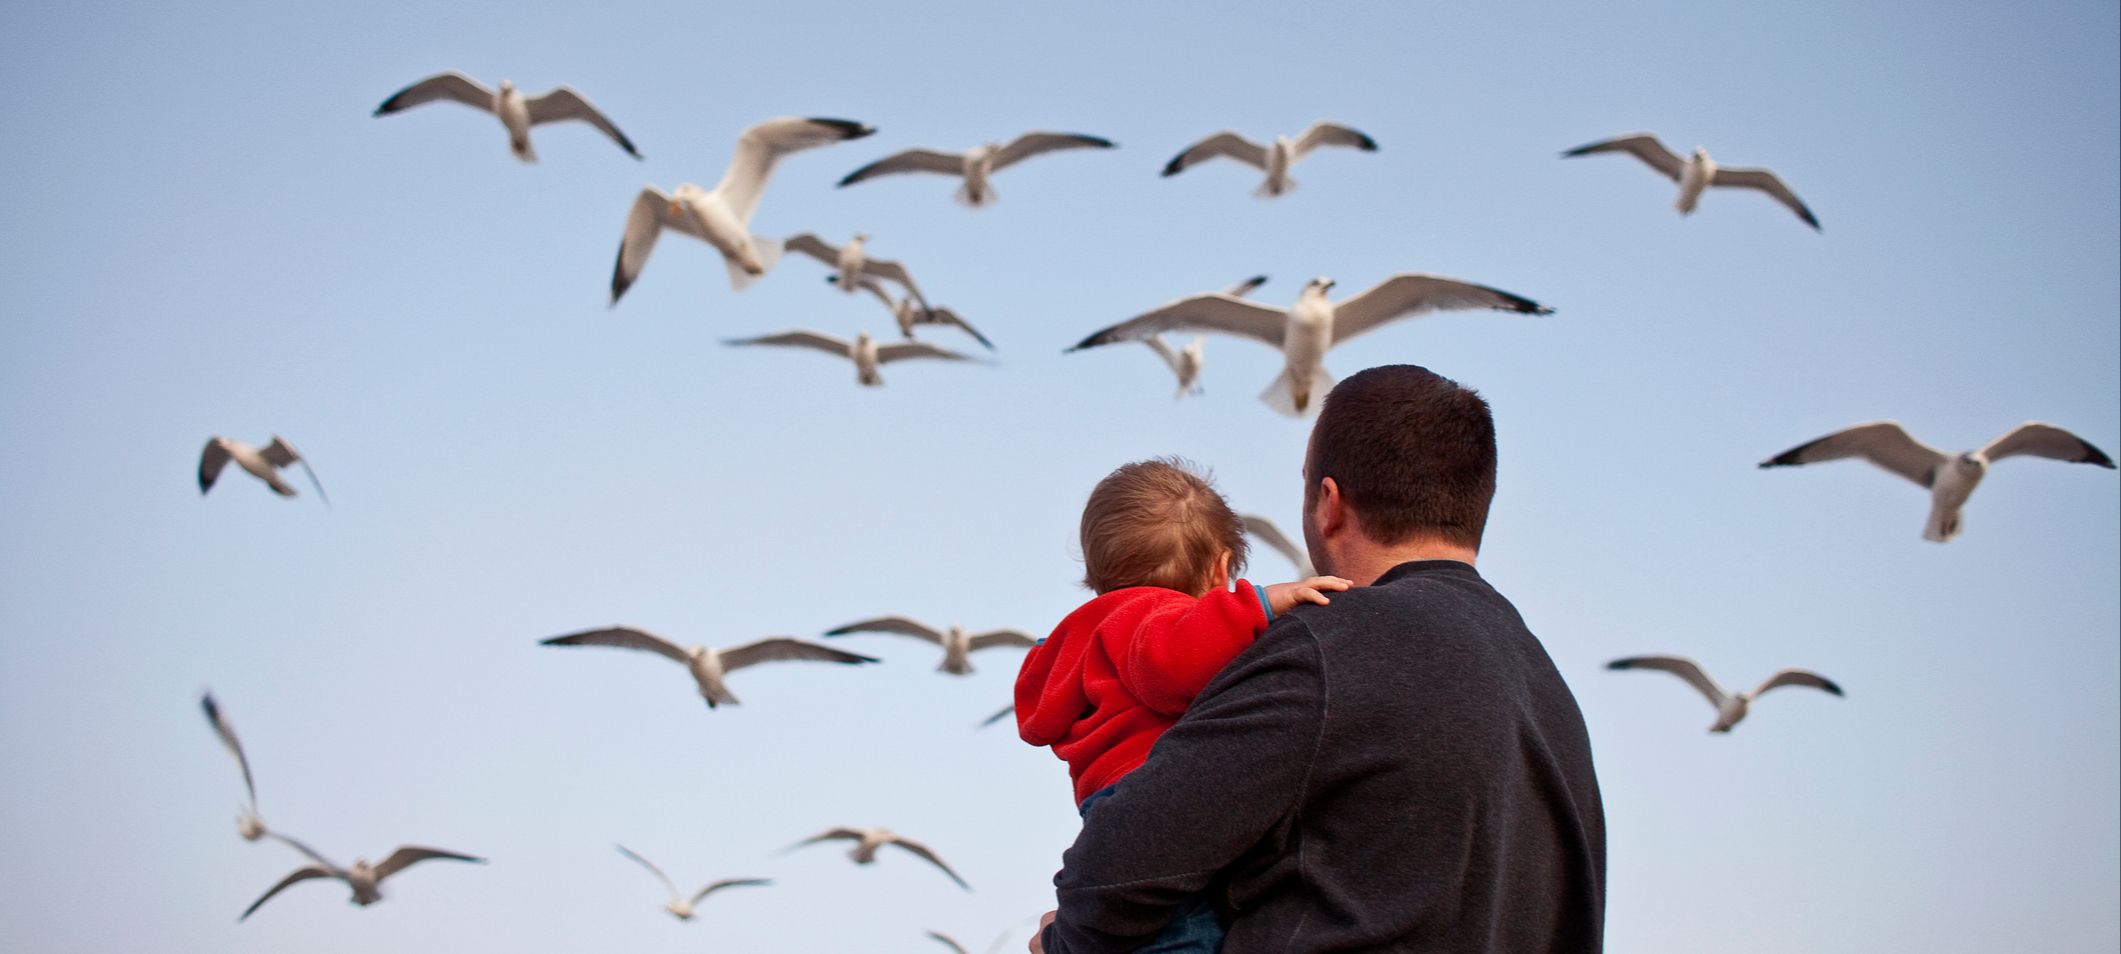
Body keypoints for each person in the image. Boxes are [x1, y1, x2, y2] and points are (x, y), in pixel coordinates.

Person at [1031, 365, 1606, 953]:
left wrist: (1063, 942)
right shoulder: (1552, 698)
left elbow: (1122, 864)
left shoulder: (1326, 647)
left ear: (1328, 504)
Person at [1016, 457, 1352, 954]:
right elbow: (1171, 666)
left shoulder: (1077, 639)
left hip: (1109, 811)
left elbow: (1037, 718)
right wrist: (1257, 605)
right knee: (1183, 934)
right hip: (1158, 801)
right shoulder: (1148, 618)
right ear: (1220, 569)